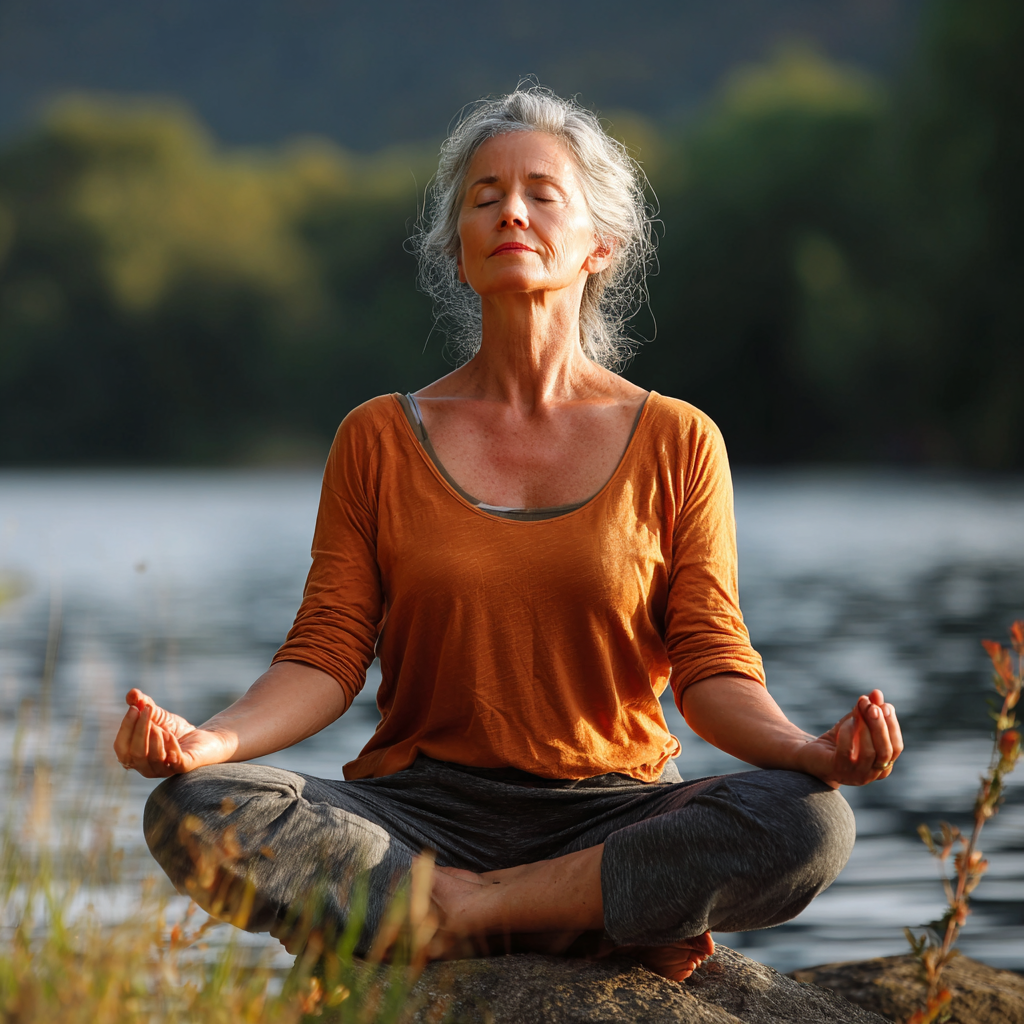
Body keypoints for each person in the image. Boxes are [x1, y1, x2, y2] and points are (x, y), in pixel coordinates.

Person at [113, 87, 903, 983]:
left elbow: (712, 665)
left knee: (810, 819)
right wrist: (206, 743)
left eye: (540, 194)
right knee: (195, 808)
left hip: (611, 812)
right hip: (415, 817)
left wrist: (808, 752)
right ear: (457, 251)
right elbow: (327, 654)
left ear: (600, 243)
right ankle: (580, 914)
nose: (510, 212)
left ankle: (469, 913)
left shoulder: (679, 439)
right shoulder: (377, 436)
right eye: (483, 198)